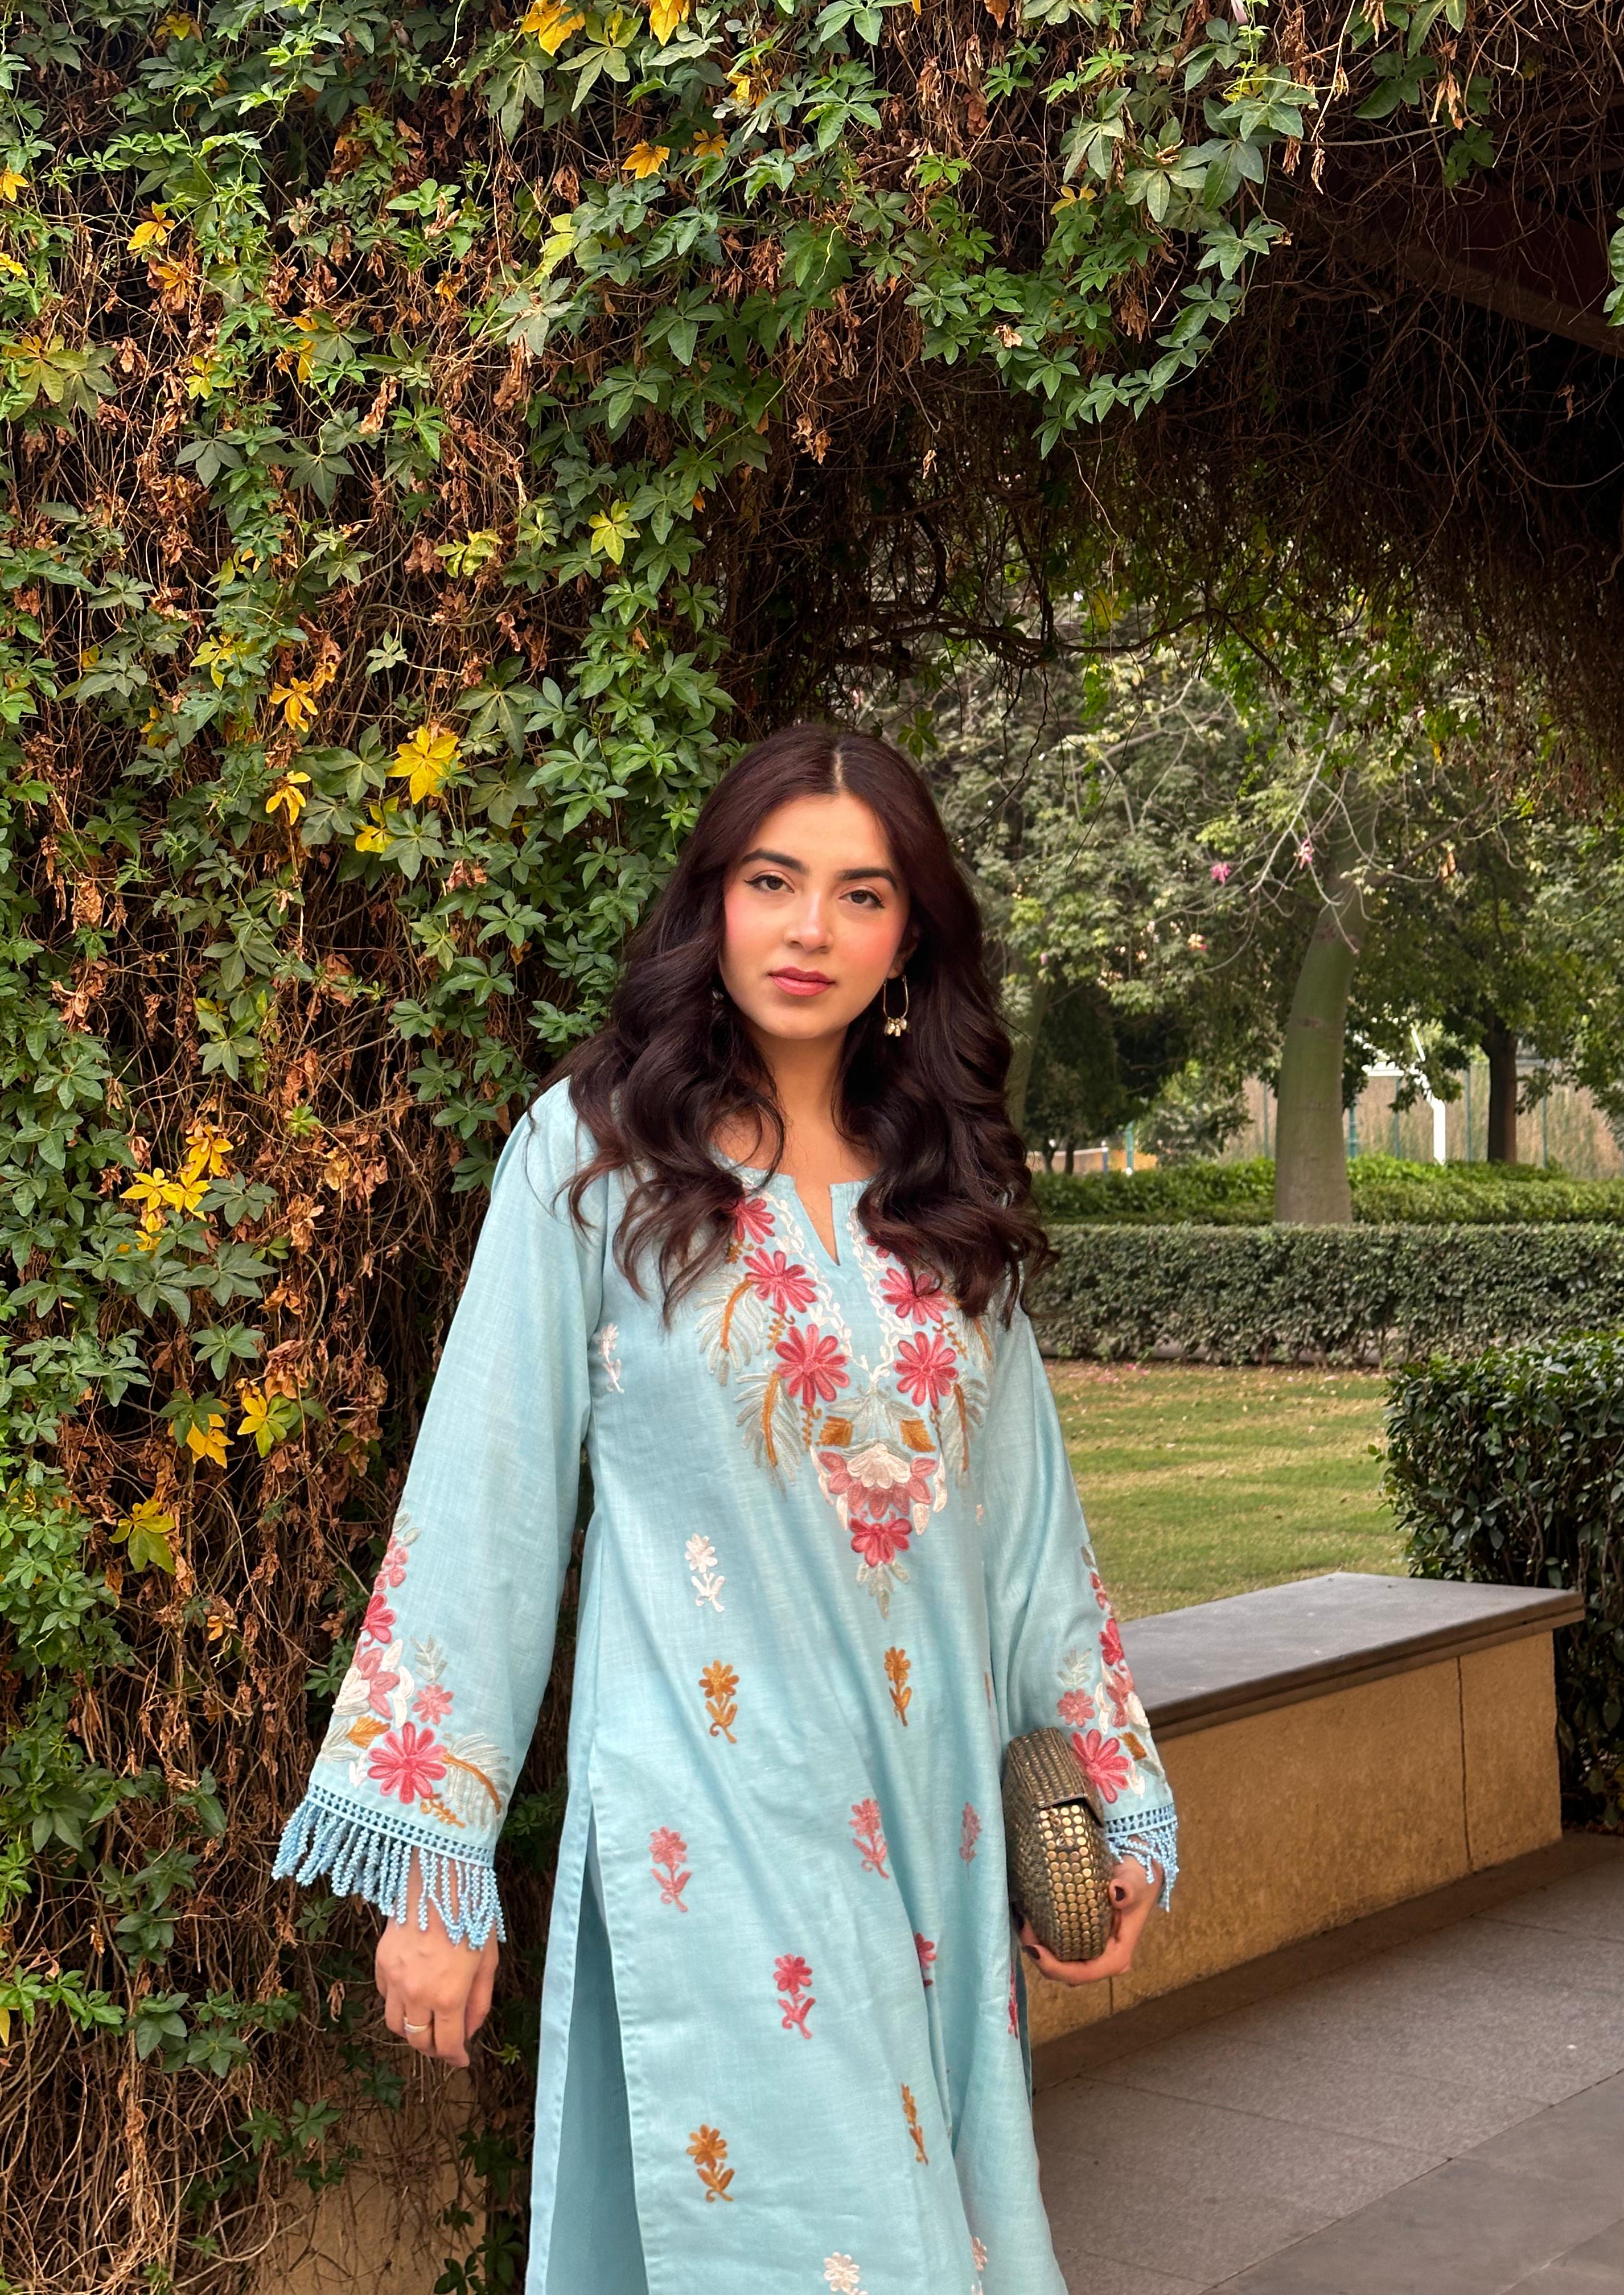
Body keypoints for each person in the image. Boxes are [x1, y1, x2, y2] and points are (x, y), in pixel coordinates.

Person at [273, 723, 1179, 2294]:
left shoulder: (939, 1192)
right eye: (774, 882)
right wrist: (437, 1860)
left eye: (859, 893)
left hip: (938, 1829)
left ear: (912, 937)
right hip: (718, 1819)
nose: (811, 929)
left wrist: (1107, 1799)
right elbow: (482, 1496)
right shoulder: (599, 1163)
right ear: (715, 904)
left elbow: (1027, 1533)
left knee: (923, 2232)